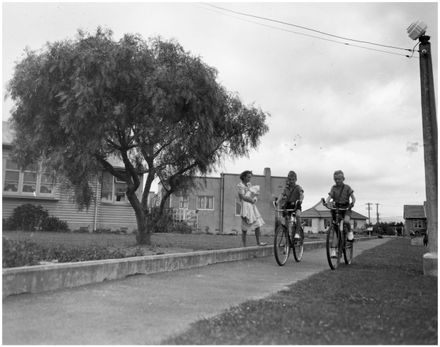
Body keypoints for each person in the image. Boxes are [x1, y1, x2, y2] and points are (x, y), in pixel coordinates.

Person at [325, 170, 356, 256]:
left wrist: (352, 203)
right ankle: (334, 249)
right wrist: (327, 202)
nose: (337, 181)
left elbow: (353, 198)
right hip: (337, 209)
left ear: (343, 179)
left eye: (339, 179)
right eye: (335, 179)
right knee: (336, 229)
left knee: (346, 221)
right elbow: (330, 196)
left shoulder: (347, 187)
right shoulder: (333, 188)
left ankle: (350, 232)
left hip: (346, 208)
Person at [237, 170, 266, 247]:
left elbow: (252, 193)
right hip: (245, 207)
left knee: (257, 224)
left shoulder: (249, 185)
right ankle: (244, 245)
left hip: (251, 206)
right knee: (244, 227)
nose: (250, 178)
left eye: (250, 177)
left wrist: (254, 197)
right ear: (244, 177)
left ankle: (258, 242)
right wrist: (250, 200)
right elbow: (242, 197)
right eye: (248, 177)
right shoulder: (240, 186)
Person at [277, 171, 304, 239]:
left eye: (293, 179)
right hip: (288, 205)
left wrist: (300, 200)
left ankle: (297, 233)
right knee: (286, 220)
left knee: (298, 215)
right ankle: (287, 240)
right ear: (288, 179)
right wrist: (277, 201)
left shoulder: (298, 187)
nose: (291, 181)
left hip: (296, 204)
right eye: (290, 179)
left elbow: (301, 194)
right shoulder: (286, 188)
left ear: (296, 179)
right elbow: (282, 195)